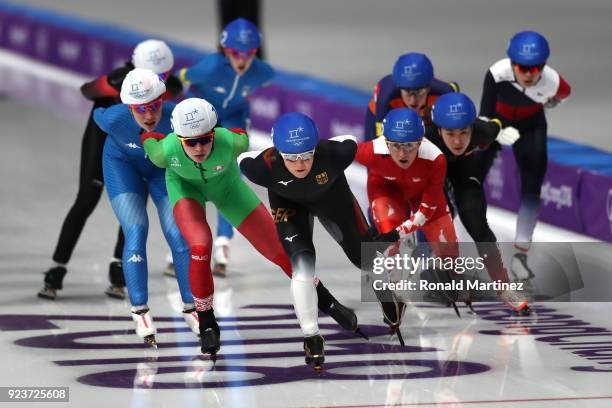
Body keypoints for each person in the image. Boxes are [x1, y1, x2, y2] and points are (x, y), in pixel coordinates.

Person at [140, 98, 359, 360]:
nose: (199, 147)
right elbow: (149, 138)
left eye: (205, 139)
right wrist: (148, 133)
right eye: (190, 142)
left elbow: (242, 136)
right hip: (185, 190)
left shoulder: (232, 142)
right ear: (178, 138)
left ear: (215, 133)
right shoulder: (164, 153)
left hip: (228, 190)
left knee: (281, 251)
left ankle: (327, 300)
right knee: (200, 246)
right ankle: (207, 321)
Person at [239, 112, 406, 371]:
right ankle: (311, 336)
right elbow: (240, 157)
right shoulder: (260, 167)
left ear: (316, 146)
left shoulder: (335, 153)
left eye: (307, 154)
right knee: (302, 266)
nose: (300, 164)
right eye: (292, 157)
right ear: (277, 151)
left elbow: (352, 140)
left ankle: (385, 290)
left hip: (333, 199)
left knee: (362, 258)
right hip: (289, 206)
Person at [38, 39, 182, 300]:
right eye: (153, 75)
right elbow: (86, 90)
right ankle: (56, 269)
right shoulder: (117, 80)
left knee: (134, 206)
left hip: (136, 146)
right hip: (103, 140)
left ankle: (118, 269)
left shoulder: (170, 87)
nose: (158, 82)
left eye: (163, 75)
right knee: (86, 200)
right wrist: (108, 85)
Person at [92, 68, 197, 347]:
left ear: (163, 100)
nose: (149, 115)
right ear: (128, 107)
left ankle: (192, 306)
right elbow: (96, 115)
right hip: (121, 167)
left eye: (154, 106)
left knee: (178, 235)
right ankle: (140, 310)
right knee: (136, 231)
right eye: (140, 109)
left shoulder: (178, 117)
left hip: (161, 170)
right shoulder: (113, 119)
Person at [177, 18, 273, 277]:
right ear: (224, 51)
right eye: (234, 53)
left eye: (248, 54)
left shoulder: (263, 71)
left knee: (231, 171)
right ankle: (187, 237)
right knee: (192, 169)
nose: (241, 59)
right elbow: (183, 77)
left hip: (234, 115)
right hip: (202, 112)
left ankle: (222, 242)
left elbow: (265, 78)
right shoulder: (209, 67)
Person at [478, 31, 571, 278]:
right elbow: (484, 117)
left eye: (536, 67)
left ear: (544, 65)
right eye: (522, 67)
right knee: (470, 179)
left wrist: (550, 103)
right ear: (511, 64)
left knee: (532, 187)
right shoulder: (497, 74)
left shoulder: (554, 82)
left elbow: (563, 93)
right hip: (497, 122)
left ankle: (520, 256)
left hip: (531, 126)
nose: (529, 74)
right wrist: (495, 133)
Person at [427, 92, 531, 314]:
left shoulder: (484, 131)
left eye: (464, 132)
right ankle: (434, 272)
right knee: (437, 221)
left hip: (464, 171)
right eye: (450, 133)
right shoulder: (422, 141)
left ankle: (504, 288)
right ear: (438, 131)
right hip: (430, 175)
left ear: (473, 128)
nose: (457, 141)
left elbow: (498, 123)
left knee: (477, 223)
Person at [364, 52, 459, 141]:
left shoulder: (444, 92)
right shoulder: (386, 97)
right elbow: (380, 143)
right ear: (399, 88)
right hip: (384, 117)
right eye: (407, 92)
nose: (413, 100)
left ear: (429, 88)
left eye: (419, 91)